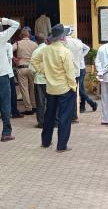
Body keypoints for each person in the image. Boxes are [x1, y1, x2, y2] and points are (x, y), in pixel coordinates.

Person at [32, 24, 77, 152]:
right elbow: (69, 72)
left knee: (49, 115)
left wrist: (44, 71)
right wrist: (73, 87)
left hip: (51, 88)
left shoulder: (46, 49)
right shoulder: (65, 51)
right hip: (65, 89)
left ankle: (46, 142)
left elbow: (34, 61)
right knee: (64, 118)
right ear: (62, 37)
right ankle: (61, 145)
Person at [13, 28, 38, 115]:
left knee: (24, 89)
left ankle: (28, 108)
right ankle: (34, 105)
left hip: (22, 67)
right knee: (33, 88)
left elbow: (9, 50)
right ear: (29, 35)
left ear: (21, 35)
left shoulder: (18, 43)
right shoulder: (34, 44)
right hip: (32, 68)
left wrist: (14, 58)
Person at [63, 26, 82, 122]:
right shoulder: (78, 42)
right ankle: (74, 116)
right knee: (74, 94)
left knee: (66, 95)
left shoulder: (63, 43)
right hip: (76, 72)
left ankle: (67, 116)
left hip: (67, 72)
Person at [30, 33, 47, 128]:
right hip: (50, 80)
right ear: (45, 39)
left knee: (40, 102)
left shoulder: (36, 51)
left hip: (39, 80)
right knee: (50, 102)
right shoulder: (49, 49)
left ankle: (41, 122)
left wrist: (37, 72)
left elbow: (32, 67)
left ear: (36, 41)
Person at [7, 42, 23, 118]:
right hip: (9, 73)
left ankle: (7, 112)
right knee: (12, 94)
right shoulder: (8, 45)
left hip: (0, 73)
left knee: (4, 95)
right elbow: (10, 57)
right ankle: (13, 111)